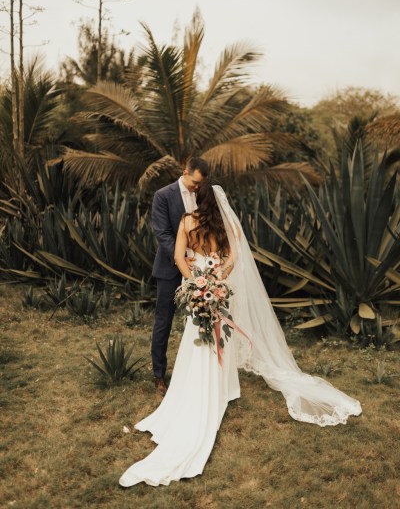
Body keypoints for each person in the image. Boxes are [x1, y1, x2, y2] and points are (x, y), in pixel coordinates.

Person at [119, 181, 362, 488]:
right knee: (219, 334)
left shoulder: (186, 222)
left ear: (198, 200)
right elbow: (233, 258)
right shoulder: (225, 225)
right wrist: (217, 277)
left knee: (197, 338)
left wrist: (195, 282)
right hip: (218, 291)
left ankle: (201, 390)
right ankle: (223, 388)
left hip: (200, 289)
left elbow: (180, 257)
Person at [150, 157, 209, 395]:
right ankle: (159, 375)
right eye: (195, 183)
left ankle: (195, 373)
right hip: (169, 268)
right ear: (185, 172)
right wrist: (183, 256)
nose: (197, 188)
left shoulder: (204, 195)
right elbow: (162, 233)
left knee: (198, 320)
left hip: (200, 268)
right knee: (163, 320)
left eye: (200, 184)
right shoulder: (163, 195)